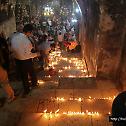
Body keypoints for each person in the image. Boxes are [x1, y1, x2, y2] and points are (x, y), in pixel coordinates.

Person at [10, 24, 38, 97]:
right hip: (25, 60)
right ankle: (33, 84)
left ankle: (26, 89)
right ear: (29, 32)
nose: (32, 34)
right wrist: (36, 54)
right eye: (31, 32)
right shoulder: (26, 41)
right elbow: (28, 55)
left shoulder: (14, 37)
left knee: (23, 76)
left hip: (17, 59)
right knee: (31, 71)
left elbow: (12, 48)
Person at [0, 32, 15, 102]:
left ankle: (11, 95)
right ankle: (11, 94)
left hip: (2, 65)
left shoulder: (2, 41)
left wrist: (3, 63)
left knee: (4, 82)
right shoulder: (2, 41)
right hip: (4, 64)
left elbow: (3, 53)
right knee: (4, 82)